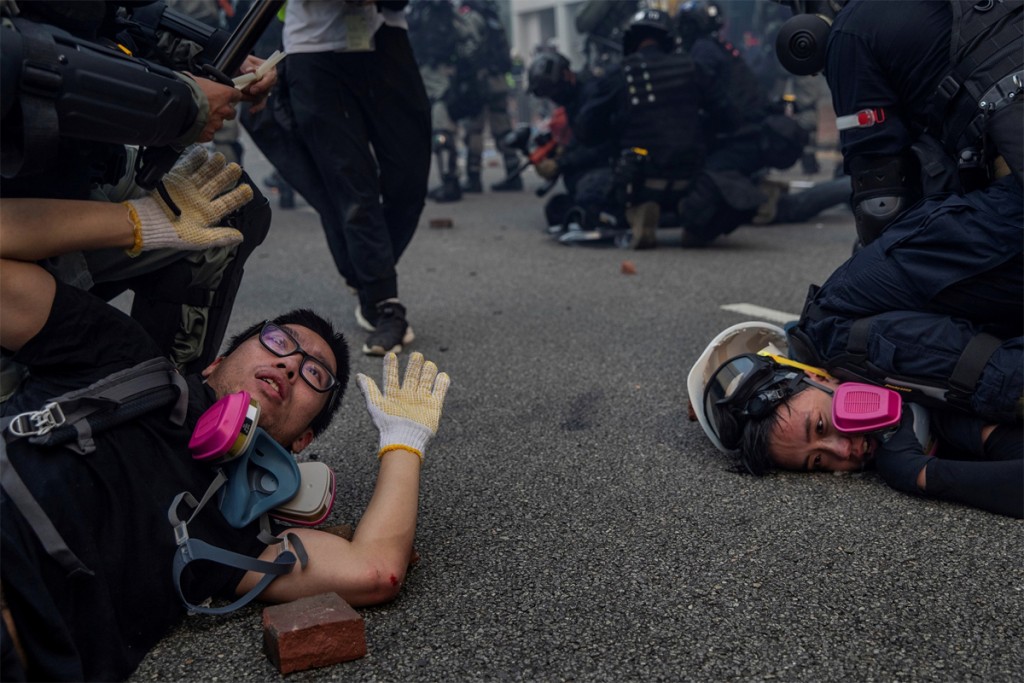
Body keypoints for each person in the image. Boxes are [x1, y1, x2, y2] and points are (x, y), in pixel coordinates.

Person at [0, 152, 452, 680]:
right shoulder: (122, 358)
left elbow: (374, 571)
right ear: (216, 361)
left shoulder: (233, 536)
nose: (289, 364)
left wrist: (405, 440)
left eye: (314, 377)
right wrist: (141, 221)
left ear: (300, 442)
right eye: (279, 342)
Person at [688, 172, 1023, 519]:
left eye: (820, 426)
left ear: (820, 378)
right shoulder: (864, 361)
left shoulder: (855, 344)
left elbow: (1010, 381)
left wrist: (916, 474)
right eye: (818, 462)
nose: (845, 451)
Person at [1, 0, 280, 375]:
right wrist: (183, 104)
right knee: (29, 398)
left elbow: (111, 15)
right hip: (13, 230)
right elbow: (10, 59)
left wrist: (221, 52)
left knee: (225, 208)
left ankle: (168, 405)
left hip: (67, 181)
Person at [774, 0, 1022, 246]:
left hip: (1006, 204)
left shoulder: (853, 30)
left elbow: (880, 203)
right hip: (1005, 164)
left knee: (855, 282)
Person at [278, 0, 430, 355]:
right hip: (312, 49)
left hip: (384, 37)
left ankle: (363, 271)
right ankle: (383, 301)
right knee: (351, 186)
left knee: (409, 179)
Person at [524, 51, 619, 238]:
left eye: (552, 90)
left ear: (567, 76)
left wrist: (562, 162)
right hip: (600, 161)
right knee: (557, 210)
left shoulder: (593, 94)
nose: (552, 97)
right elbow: (581, 138)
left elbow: (600, 144)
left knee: (589, 193)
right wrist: (561, 154)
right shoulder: (574, 99)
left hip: (614, 161)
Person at [456, 0, 522, 193]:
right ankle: (513, 173)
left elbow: (469, 50)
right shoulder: (493, 17)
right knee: (502, 127)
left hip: (480, 81)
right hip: (498, 80)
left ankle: (473, 177)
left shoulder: (471, 17)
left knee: (474, 129)